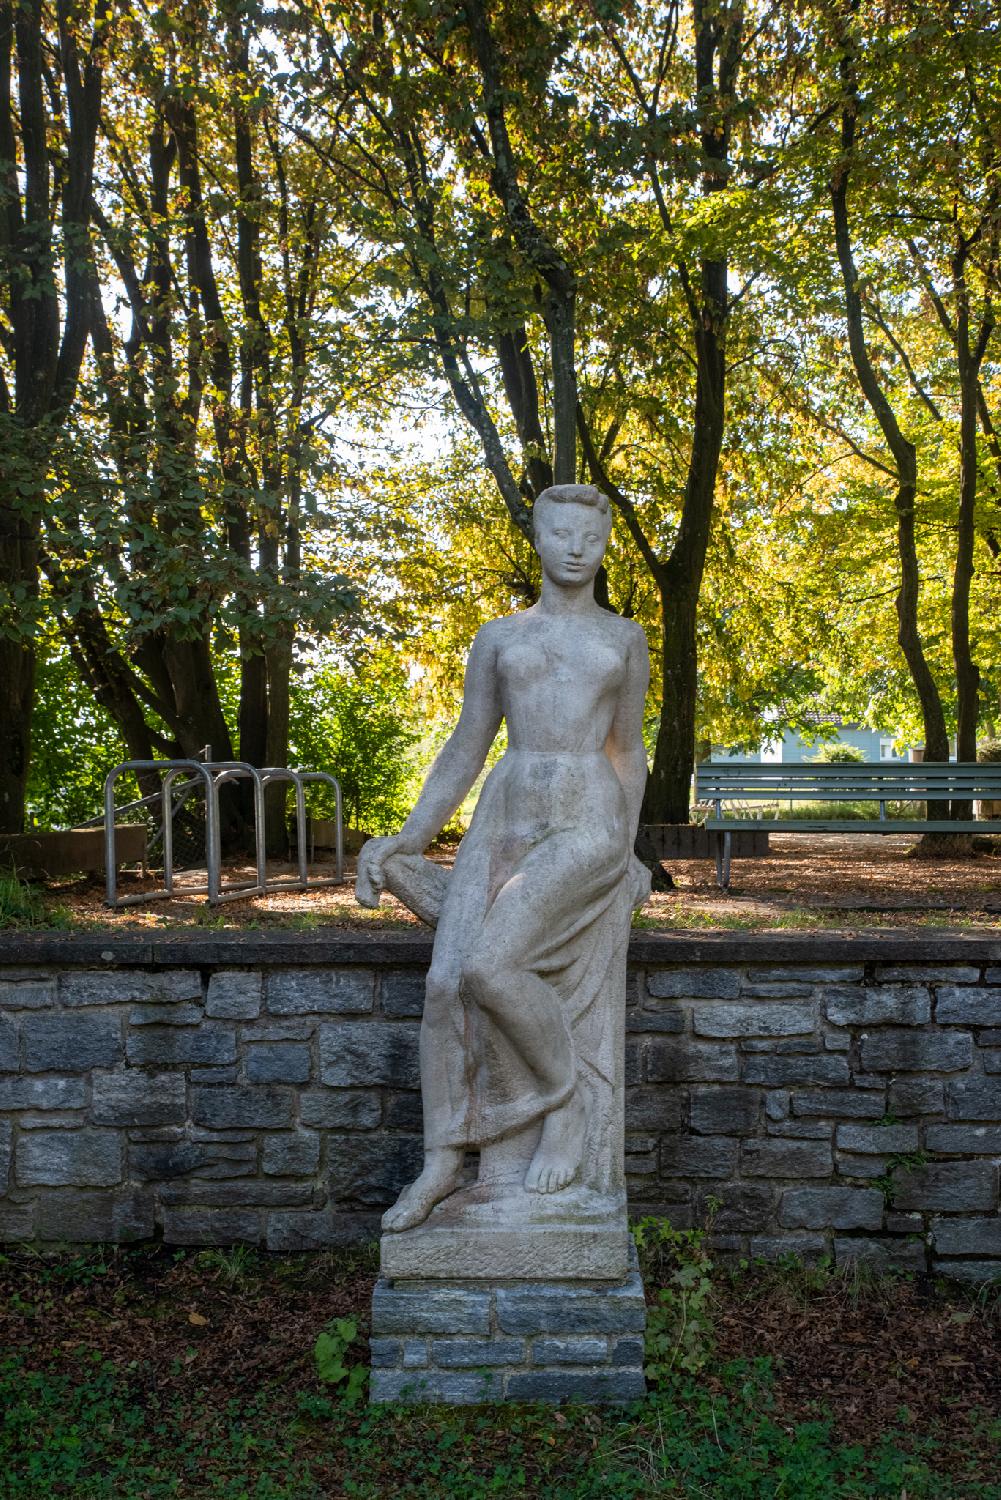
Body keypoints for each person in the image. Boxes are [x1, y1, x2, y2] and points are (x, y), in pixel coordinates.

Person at [356, 483, 650, 1232]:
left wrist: (626, 850)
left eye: (591, 537)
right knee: (445, 984)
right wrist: (412, 836)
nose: (576, 549)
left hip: (587, 817)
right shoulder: (498, 636)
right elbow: (467, 743)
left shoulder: (624, 638)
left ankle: (565, 1105)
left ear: (604, 546)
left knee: (491, 967)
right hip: (507, 812)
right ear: (538, 540)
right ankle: (441, 1162)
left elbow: (628, 751)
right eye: (561, 534)